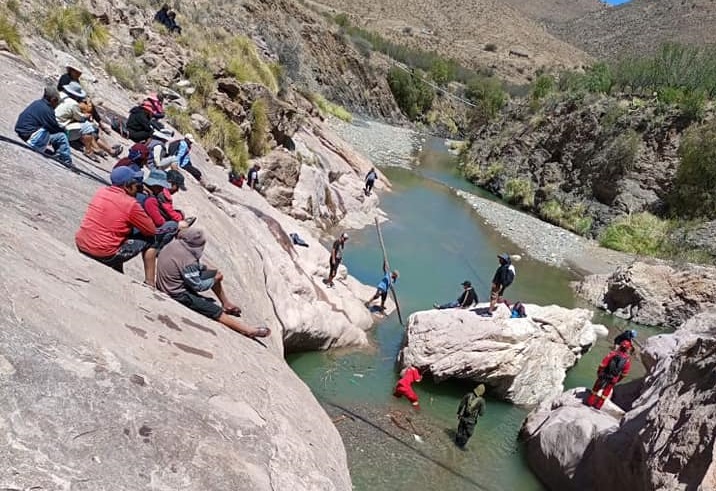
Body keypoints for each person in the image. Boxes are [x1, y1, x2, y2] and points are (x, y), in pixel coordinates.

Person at [156, 228, 271, 339]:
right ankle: (248, 330)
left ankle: (226, 303)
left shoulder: (175, 244)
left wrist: (207, 271)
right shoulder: (188, 260)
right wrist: (214, 279)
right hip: (176, 292)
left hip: (168, 281)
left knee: (214, 273)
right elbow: (198, 286)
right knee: (214, 310)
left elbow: (182, 266)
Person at [75, 166, 158, 286]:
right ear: (127, 186)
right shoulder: (131, 204)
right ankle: (150, 282)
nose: (138, 188)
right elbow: (151, 230)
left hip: (82, 244)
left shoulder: (101, 191)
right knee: (152, 239)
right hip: (102, 254)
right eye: (136, 185)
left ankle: (118, 270)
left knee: (119, 230)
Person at [55, 81, 119, 161]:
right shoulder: (74, 104)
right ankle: (93, 150)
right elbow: (79, 117)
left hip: (57, 122)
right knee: (88, 128)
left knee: (92, 130)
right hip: (63, 127)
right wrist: (86, 117)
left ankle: (104, 149)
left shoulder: (60, 95)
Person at [14, 85, 73, 168]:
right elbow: (54, 128)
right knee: (62, 136)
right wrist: (64, 131)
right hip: (30, 136)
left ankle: (59, 153)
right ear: (53, 100)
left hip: (21, 130)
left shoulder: (37, 102)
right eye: (57, 101)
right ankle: (66, 161)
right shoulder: (47, 110)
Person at [585, 340, 633, 410]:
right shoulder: (627, 360)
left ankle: (589, 402)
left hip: (604, 375)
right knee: (606, 392)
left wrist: (599, 373)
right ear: (628, 349)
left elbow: (602, 365)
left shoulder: (612, 354)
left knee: (596, 388)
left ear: (620, 346)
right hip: (614, 378)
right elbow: (624, 373)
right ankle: (598, 406)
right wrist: (617, 379)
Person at [455, 384, 486, 448]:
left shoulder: (468, 395)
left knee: (459, 432)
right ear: (482, 392)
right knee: (466, 436)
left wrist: (459, 413)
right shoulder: (482, 401)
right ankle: (459, 449)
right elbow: (481, 414)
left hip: (463, 418)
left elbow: (461, 405)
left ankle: (455, 445)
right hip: (471, 422)